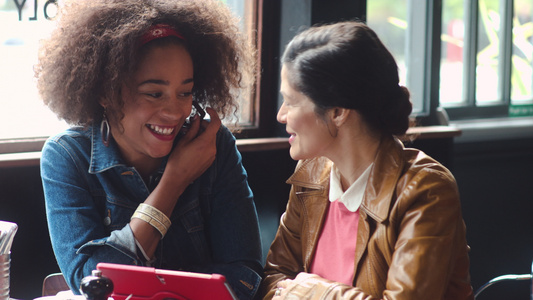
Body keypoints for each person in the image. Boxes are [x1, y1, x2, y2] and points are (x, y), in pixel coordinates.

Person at [36, 1, 263, 299]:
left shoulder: (215, 145)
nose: (174, 111)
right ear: (106, 92)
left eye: (185, 93)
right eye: (154, 94)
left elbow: (245, 275)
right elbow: (87, 278)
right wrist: (173, 183)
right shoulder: (66, 156)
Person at [258, 21, 474, 300]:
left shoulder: (426, 190)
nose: (281, 115)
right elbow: (273, 279)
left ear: (337, 111)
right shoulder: (310, 175)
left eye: (291, 101)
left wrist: (320, 294)